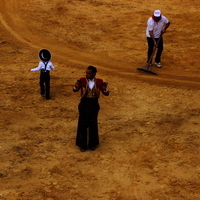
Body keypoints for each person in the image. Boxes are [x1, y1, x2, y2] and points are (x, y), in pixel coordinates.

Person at [73, 66, 109, 152]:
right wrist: (76, 86)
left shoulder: (100, 81)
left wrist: (105, 88)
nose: (87, 75)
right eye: (86, 73)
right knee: (82, 123)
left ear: (94, 74)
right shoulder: (82, 80)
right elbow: (75, 90)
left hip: (94, 103)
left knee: (93, 123)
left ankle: (92, 144)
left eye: (88, 73)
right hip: (84, 103)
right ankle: (83, 144)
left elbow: (106, 93)